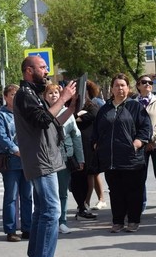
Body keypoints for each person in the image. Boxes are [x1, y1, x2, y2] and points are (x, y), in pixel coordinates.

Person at [13, 55, 77, 257]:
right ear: (29, 71)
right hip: (41, 161)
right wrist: (64, 97)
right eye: (42, 67)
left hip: (47, 158)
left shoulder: (33, 94)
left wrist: (71, 105)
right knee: (52, 211)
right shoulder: (24, 95)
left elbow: (52, 123)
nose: (47, 70)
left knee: (42, 211)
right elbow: (41, 120)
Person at [92, 73, 153, 233]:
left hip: (131, 157)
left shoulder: (135, 107)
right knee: (116, 191)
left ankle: (133, 220)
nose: (120, 88)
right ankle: (117, 221)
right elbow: (97, 130)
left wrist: (138, 142)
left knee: (133, 191)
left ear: (128, 88)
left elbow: (146, 127)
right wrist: (97, 144)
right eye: (117, 85)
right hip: (111, 158)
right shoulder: (105, 109)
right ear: (112, 88)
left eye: (123, 85)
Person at [44, 83, 85, 234]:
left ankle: (62, 221)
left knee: (62, 191)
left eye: (56, 92)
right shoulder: (42, 113)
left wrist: (80, 158)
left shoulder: (68, 113)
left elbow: (76, 136)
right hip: (46, 158)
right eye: (50, 93)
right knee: (48, 192)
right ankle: (49, 221)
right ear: (44, 96)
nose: (53, 95)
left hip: (65, 158)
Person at [0, 84, 32, 242]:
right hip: (11, 161)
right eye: (12, 94)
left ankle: (27, 228)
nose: (15, 97)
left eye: (17, 94)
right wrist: (17, 150)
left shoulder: (26, 112)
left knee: (27, 196)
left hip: (28, 160)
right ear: (5, 96)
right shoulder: (1, 115)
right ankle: (10, 230)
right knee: (11, 196)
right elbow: (2, 137)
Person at [135, 74, 156, 220]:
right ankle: (140, 205)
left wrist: (150, 139)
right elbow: (132, 124)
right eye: (144, 82)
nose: (148, 84)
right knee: (139, 177)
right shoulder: (133, 103)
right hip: (140, 146)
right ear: (138, 85)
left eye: (150, 82)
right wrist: (142, 141)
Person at [73, 83, 100, 221]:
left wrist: (79, 116)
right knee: (76, 179)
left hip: (87, 146)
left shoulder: (92, 106)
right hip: (74, 147)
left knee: (86, 176)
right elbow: (71, 118)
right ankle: (81, 206)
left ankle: (84, 206)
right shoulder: (71, 105)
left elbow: (91, 117)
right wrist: (78, 115)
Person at [85, 80, 108, 211]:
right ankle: (89, 201)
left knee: (94, 172)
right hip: (88, 141)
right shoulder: (82, 102)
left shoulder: (96, 102)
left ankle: (100, 199)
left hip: (94, 141)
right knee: (92, 172)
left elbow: (96, 118)